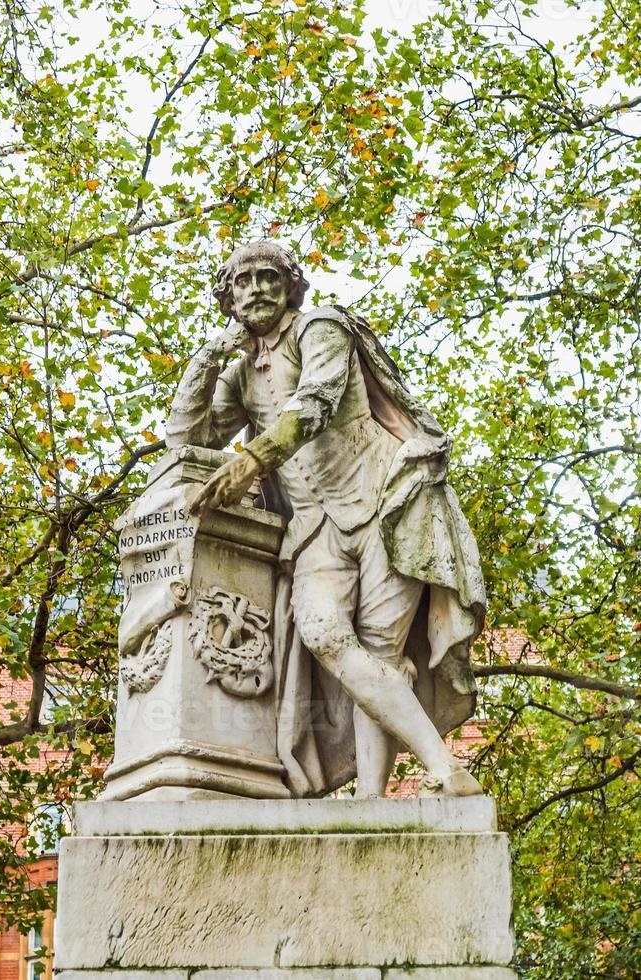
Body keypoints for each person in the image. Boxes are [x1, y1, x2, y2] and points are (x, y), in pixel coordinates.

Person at [166, 241, 486, 798]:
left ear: (291, 286)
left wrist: (252, 462)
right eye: (243, 282)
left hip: (384, 504)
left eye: (269, 277)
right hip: (313, 528)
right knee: (324, 634)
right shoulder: (241, 371)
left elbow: (313, 404)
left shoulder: (322, 327)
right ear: (229, 298)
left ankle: (373, 798)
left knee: (379, 649)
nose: (257, 288)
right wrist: (207, 360)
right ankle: (444, 766)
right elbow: (186, 440)